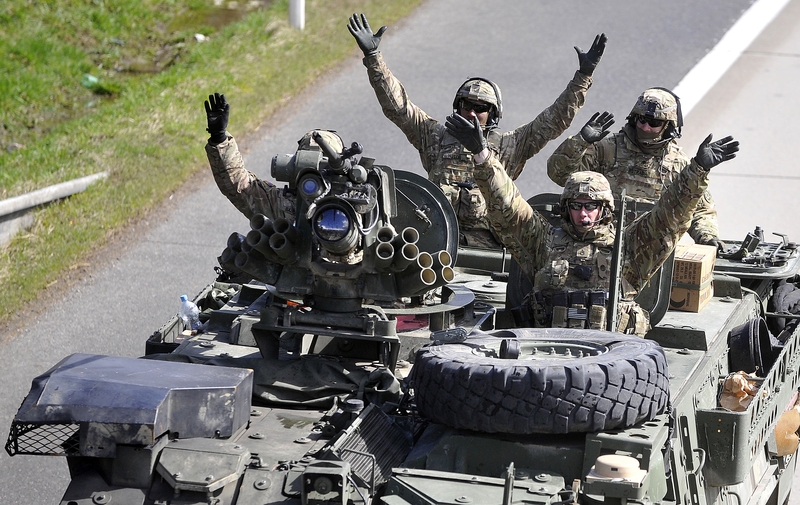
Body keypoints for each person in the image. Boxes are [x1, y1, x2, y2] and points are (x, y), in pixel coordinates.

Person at [445, 112, 738, 335]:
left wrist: (697, 170)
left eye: (592, 207)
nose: (584, 214)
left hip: (610, 355)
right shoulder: (542, 242)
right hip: (544, 346)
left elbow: (669, 217)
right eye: (577, 206)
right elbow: (507, 204)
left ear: (606, 209)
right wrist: (482, 155)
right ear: (566, 207)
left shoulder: (629, 247)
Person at [348, 13, 607, 248]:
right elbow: (399, 107)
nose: (472, 112)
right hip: (435, 238)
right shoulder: (434, 136)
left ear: (492, 115)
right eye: (466, 105)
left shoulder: (510, 146)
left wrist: (583, 76)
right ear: (457, 107)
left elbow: (553, 120)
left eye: (481, 108)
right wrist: (373, 59)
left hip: (489, 249)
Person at [547, 88, 724, 249]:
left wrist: (707, 237)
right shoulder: (607, 149)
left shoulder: (679, 165)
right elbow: (560, 175)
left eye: (654, 123)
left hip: (651, 253)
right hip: (599, 245)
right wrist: (580, 142)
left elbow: (700, 209)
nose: (646, 128)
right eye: (642, 120)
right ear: (634, 118)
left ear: (668, 127)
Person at [204, 92, 343, 223]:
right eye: (308, 160)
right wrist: (219, 137)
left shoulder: (356, 202)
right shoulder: (285, 206)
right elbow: (239, 184)